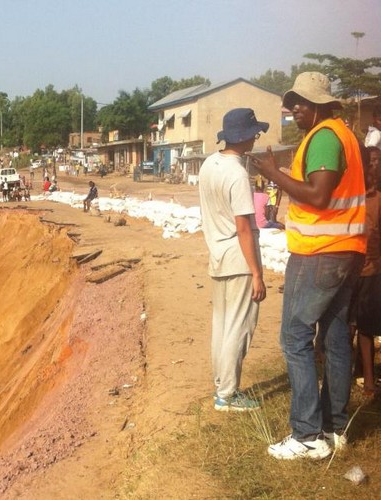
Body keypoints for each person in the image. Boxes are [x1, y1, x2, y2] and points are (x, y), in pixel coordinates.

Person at [253, 72, 366, 460]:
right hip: (345, 250)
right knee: (334, 338)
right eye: (292, 101)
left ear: (320, 104)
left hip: (320, 252)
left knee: (294, 337)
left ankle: (306, 435)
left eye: (301, 101)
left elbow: (318, 197)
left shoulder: (323, 139)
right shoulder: (345, 135)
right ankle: (335, 426)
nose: (293, 108)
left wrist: (273, 175)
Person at [199, 108, 267, 413]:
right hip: (239, 259)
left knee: (222, 326)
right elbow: (243, 228)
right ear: (246, 136)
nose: (256, 136)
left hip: (217, 255)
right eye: (254, 132)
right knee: (239, 328)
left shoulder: (209, 165)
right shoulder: (238, 174)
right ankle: (227, 394)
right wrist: (257, 273)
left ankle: (221, 386)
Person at [351, 145, 381, 397]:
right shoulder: (349, 197)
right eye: (368, 163)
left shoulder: (378, 200)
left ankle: (369, 380)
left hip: (371, 272)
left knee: (366, 327)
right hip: (348, 270)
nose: (372, 167)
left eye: (376, 163)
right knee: (345, 326)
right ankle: (347, 372)